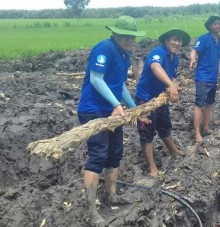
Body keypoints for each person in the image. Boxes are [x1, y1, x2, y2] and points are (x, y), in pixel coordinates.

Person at [77, 16, 145, 226]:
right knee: (98, 155)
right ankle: (91, 210)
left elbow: (120, 85)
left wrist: (135, 109)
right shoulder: (104, 48)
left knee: (115, 154)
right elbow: (96, 79)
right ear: (115, 33)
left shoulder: (125, 55)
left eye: (132, 36)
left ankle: (111, 195)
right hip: (93, 110)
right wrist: (116, 105)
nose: (130, 40)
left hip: (111, 111)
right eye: (126, 36)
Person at [135, 28, 190, 178]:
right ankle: (152, 167)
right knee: (147, 133)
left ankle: (173, 150)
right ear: (166, 40)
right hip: (146, 99)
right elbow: (155, 67)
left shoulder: (175, 59)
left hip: (160, 98)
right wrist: (171, 86)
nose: (176, 43)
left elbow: (171, 77)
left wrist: (176, 85)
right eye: (174, 39)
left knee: (165, 126)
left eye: (179, 41)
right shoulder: (157, 52)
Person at [189, 15, 220, 143]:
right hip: (202, 77)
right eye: (215, 23)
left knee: (209, 104)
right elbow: (194, 51)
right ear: (210, 25)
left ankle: (205, 127)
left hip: (213, 79)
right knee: (199, 105)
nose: (217, 26)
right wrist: (193, 59)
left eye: (219, 24)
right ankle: (197, 133)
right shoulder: (204, 39)